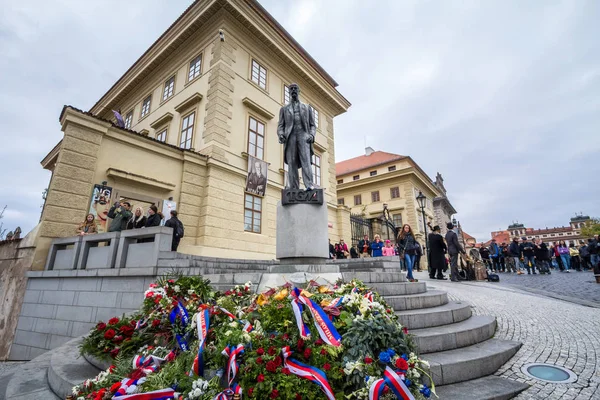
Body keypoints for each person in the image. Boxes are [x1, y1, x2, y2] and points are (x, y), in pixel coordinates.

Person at [277, 83, 317, 190]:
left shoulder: (307, 107)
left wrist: (312, 135)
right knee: (292, 163)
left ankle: (309, 185)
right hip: (290, 136)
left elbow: (313, 125)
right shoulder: (284, 109)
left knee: (306, 161)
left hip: (304, 135)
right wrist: (281, 134)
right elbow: (280, 125)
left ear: (299, 91)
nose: (293, 90)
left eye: (295, 89)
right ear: (289, 92)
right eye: (291, 89)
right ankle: (294, 188)